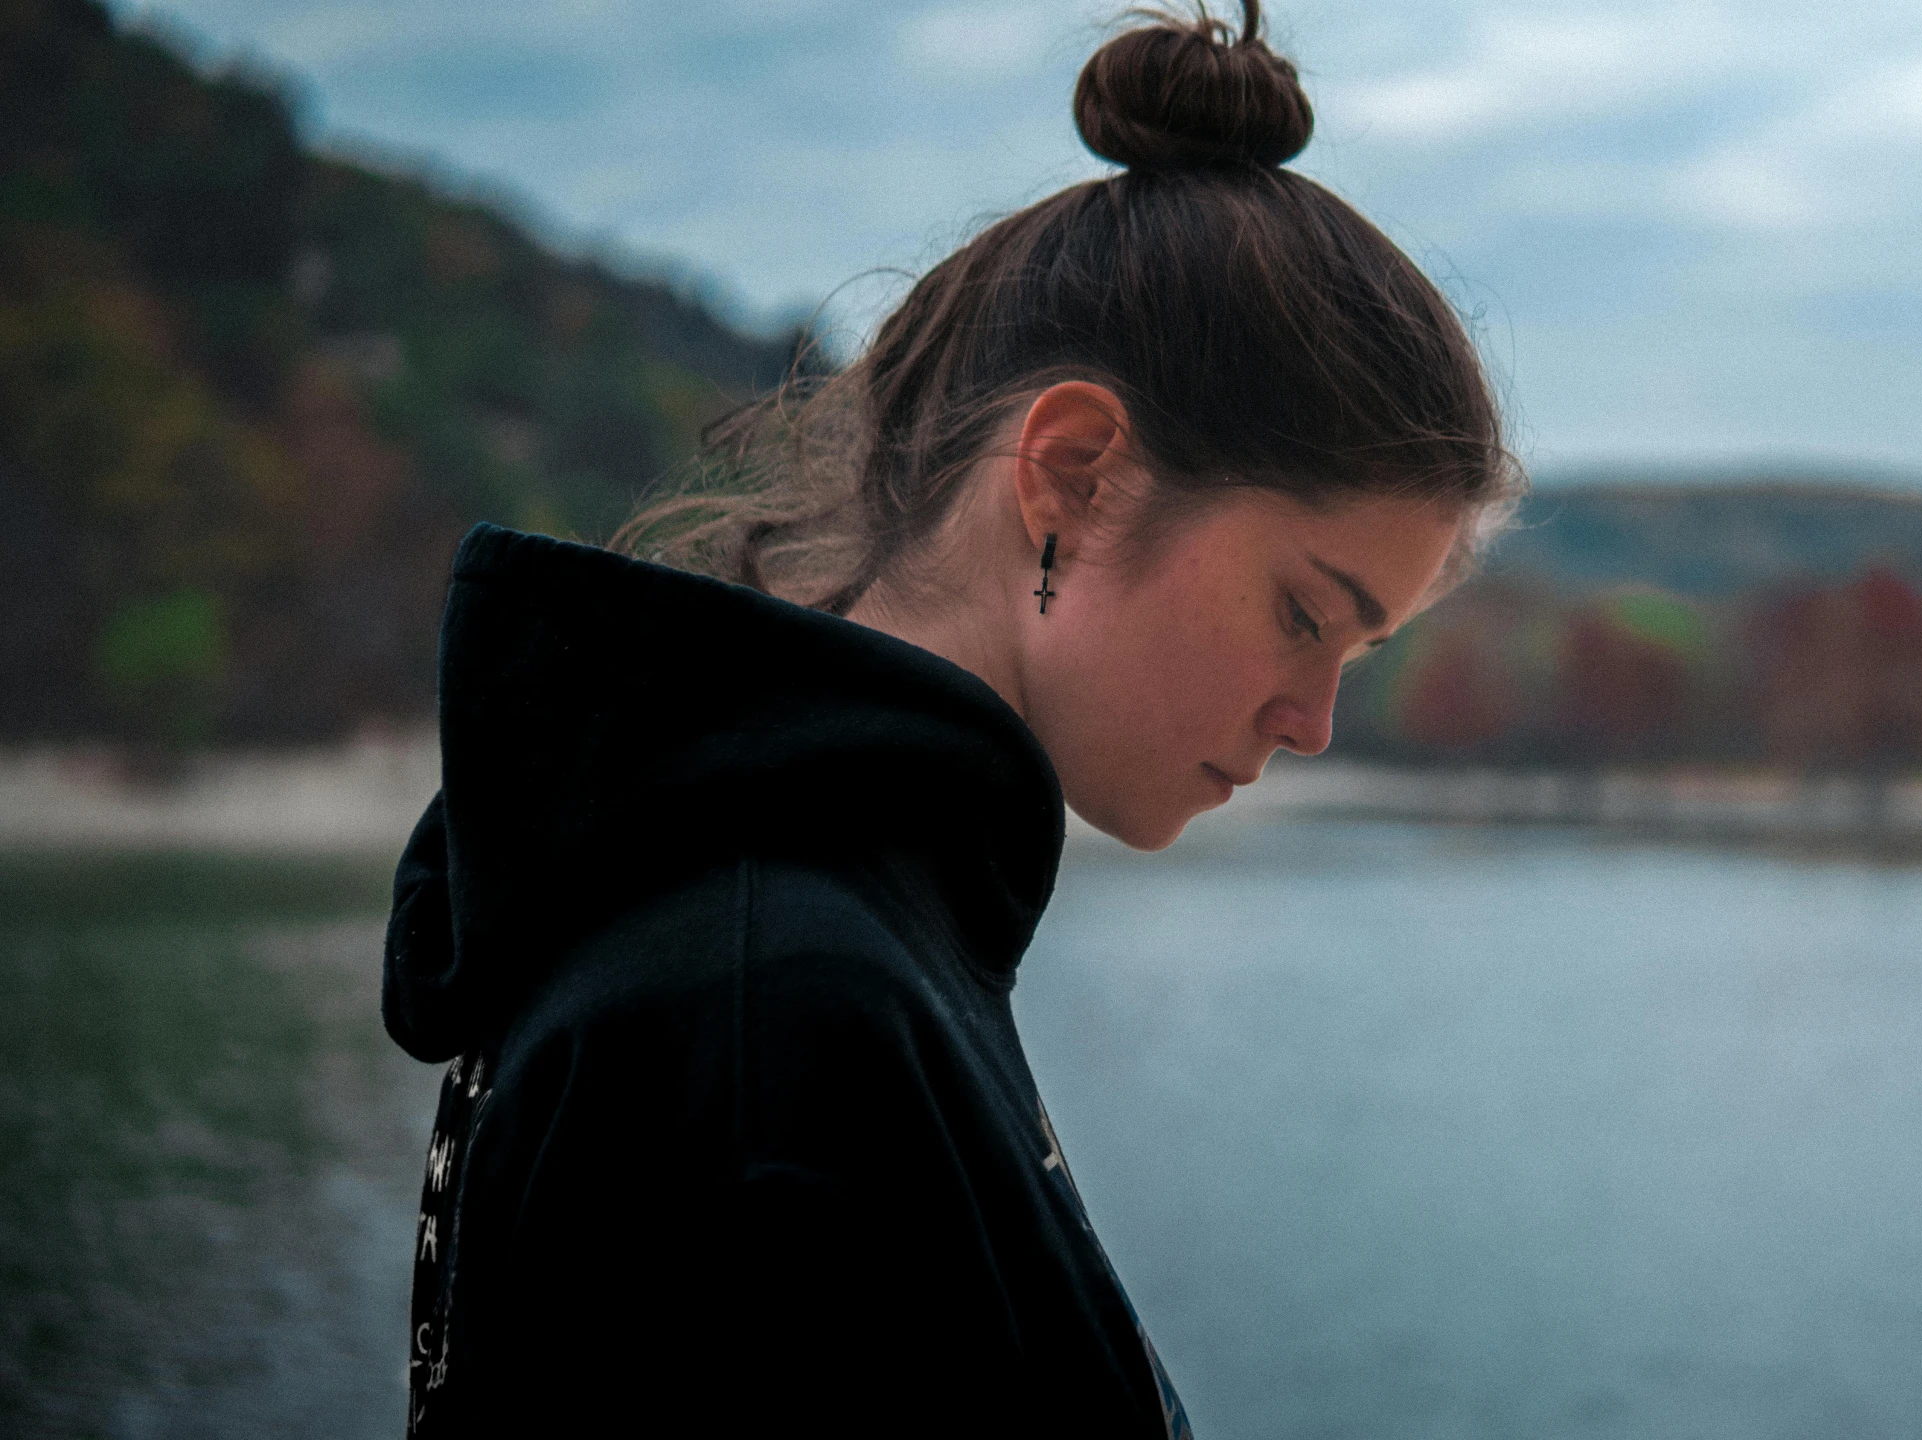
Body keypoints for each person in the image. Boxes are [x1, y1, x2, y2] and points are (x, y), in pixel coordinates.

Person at [380, 2, 1520, 1433]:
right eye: (1305, 611)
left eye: (1362, 649)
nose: (1314, 724)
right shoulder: (772, 1014)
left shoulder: (818, 926)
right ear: (1077, 471)